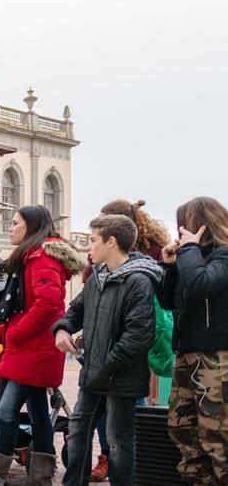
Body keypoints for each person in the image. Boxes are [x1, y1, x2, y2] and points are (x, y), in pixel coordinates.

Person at [0, 206, 84, 486]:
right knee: (38, 412)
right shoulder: (33, 256)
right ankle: (40, 476)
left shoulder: (42, 258)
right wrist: (1, 332)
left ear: (31, 226)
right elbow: (27, 307)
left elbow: (48, 306)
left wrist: (14, 335)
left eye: (15, 223)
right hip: (32, 347)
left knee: (6, 409)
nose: (11, 227)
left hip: (34, 348)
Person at [54, 214, 158, 486]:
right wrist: (63, 329)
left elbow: (138, 336)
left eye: (92, 240)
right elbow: (75, 310)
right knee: (77, 432)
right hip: (95, 375)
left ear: (111, 242)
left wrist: (103, 365)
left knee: (118, 441)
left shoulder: (139, 281)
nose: (88, 247)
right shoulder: (97, 277)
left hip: (120, 379)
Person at [87, 198, 172, 482]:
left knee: (131, 400)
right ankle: (108, 456)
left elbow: (163, 292)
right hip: (103, 337)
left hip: (136, 336)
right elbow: (91, 282)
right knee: (104, 403)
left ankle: (138, 457)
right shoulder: (99, 254)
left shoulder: (153, 253)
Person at [159, 196, 228, 484]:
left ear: (201, 224)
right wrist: (171, 266)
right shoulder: (191, 259)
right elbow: (165, 301)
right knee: (182, 428)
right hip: (187, 353)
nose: (180, 232)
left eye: (184, 225)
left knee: (216, 434)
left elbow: (202, 285)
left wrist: (188, 251)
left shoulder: (223, 255)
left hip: (215, 356)